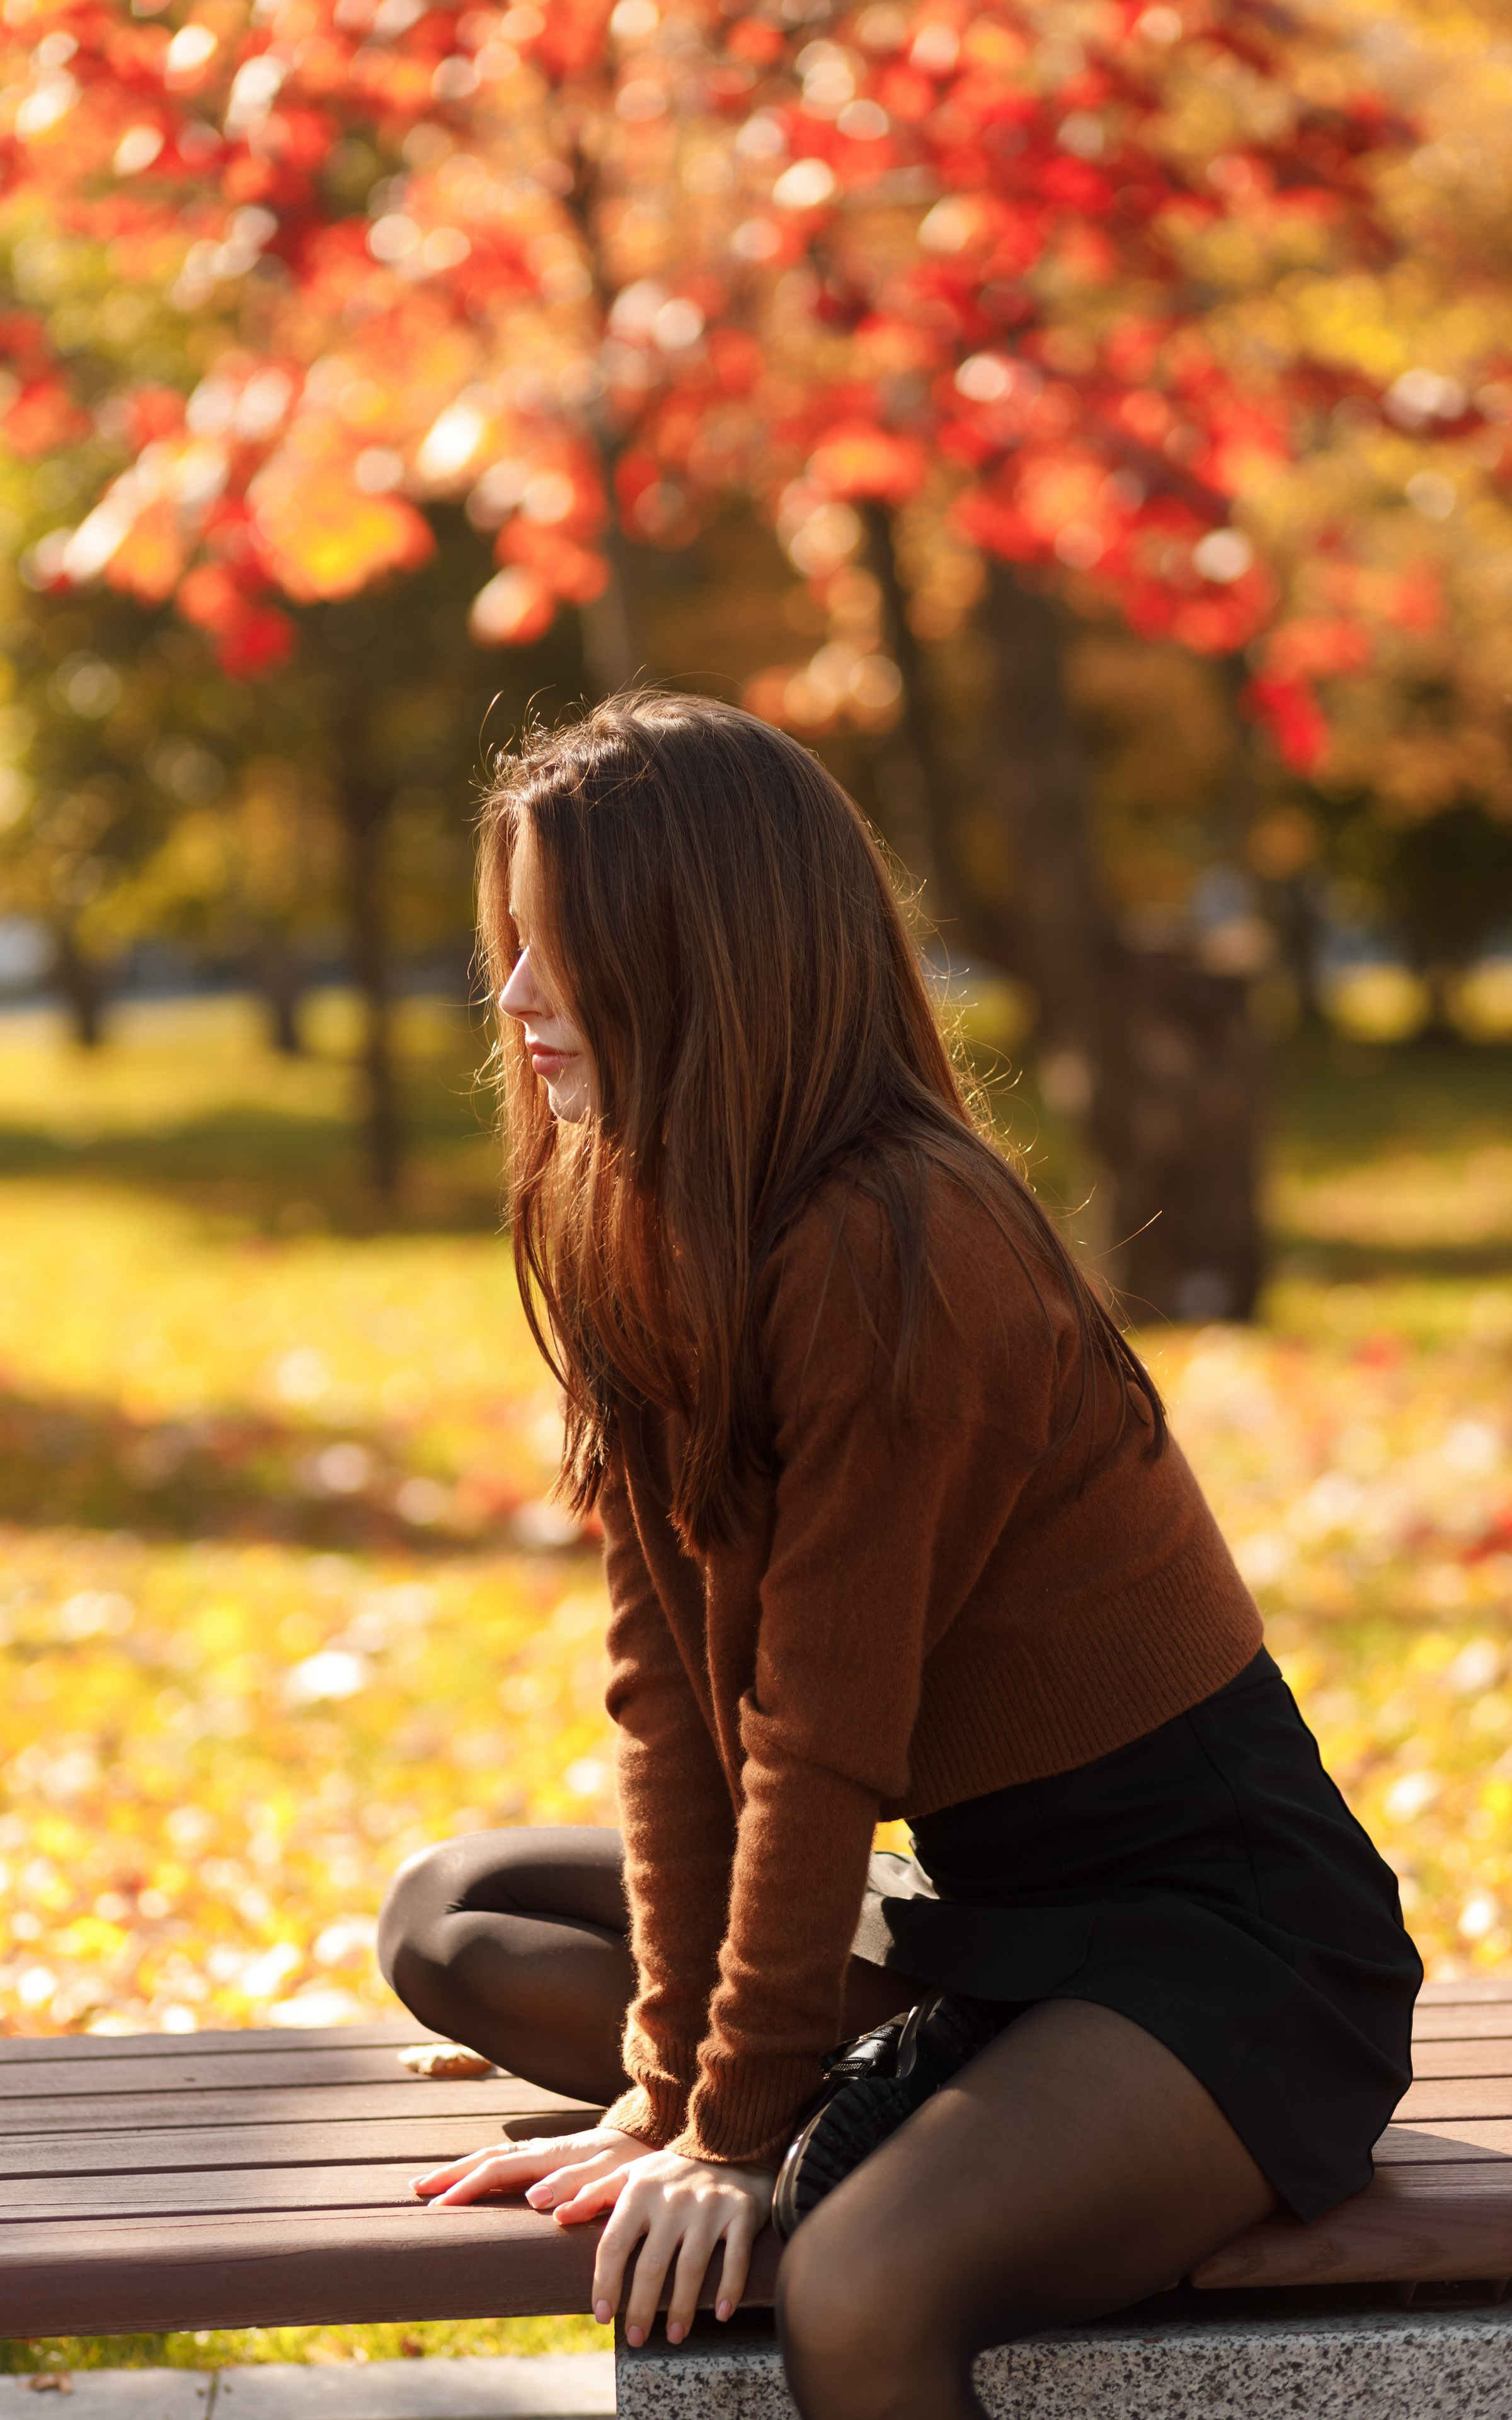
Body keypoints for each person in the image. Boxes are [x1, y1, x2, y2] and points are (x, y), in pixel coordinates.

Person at [376, 694, 1420, 2420]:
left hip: (1222, 1941)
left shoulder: (901, 1242)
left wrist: (734, 2132)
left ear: (704, 953)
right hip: (988, 1922)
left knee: (859, 2287)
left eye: (562, 946)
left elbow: (819, 1736)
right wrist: (668, 2090)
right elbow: (673, 1705)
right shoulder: (642, 1213)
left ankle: (900, 2113)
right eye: (514, 941)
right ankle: (905, 2085)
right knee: (454, 1918)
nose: (514, 996)